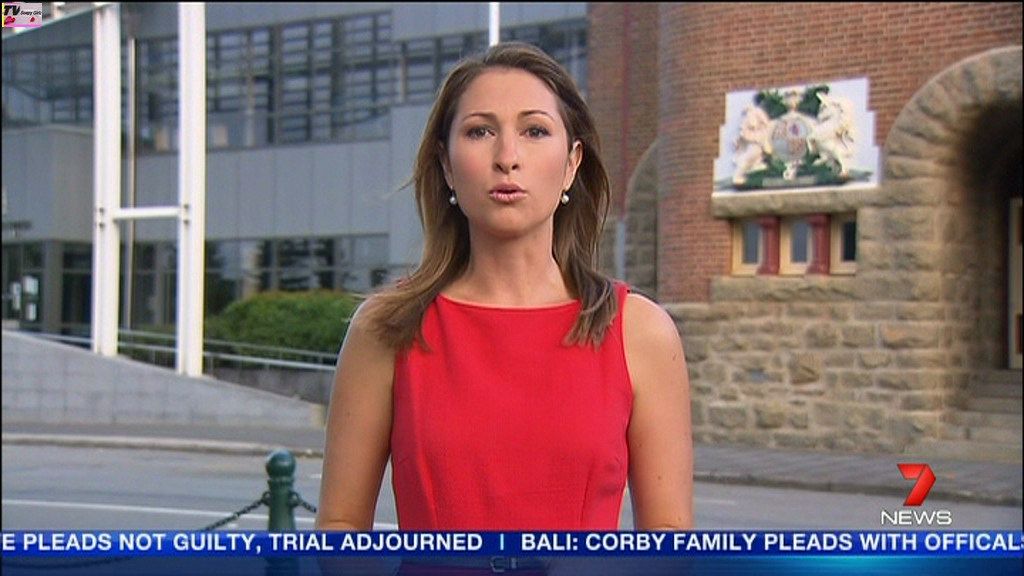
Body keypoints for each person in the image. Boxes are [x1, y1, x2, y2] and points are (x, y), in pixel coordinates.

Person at [316, 41, 693, 535]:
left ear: (572, 163)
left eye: (535, 131)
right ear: (447, 164)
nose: (507, 157)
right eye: (480, 131)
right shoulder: (386, 329)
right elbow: (341, 527)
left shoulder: (641, 333)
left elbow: (668, 544)